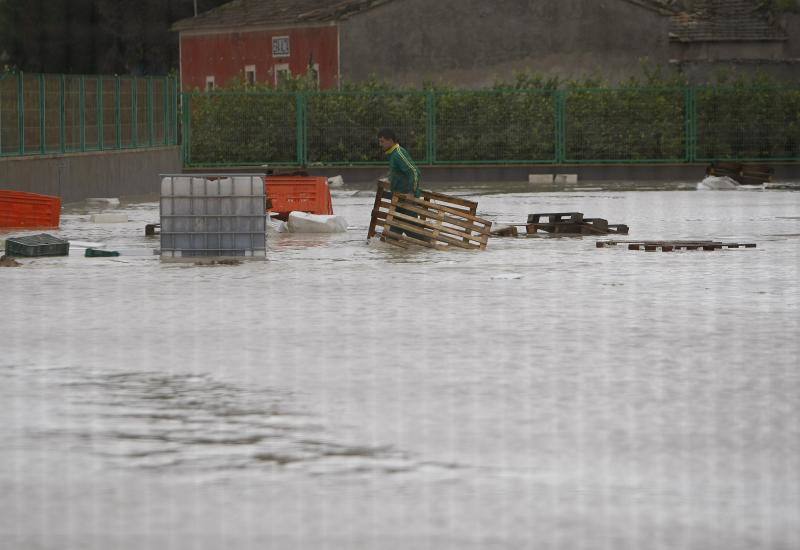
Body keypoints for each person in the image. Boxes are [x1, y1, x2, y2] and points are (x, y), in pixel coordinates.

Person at [377, 128, 427, 240]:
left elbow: (414, 172)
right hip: (398, 200)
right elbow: (400, 174)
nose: (380, 144)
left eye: (382, 141)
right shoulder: (393, 155)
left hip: (406, 200)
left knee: (414, 233)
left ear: (390, 140)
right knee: (392, 234)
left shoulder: (398, 153)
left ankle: (432, 248)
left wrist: (411, 192)